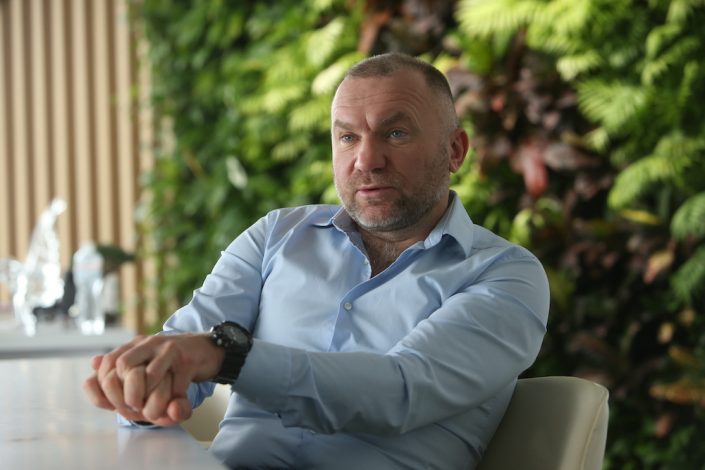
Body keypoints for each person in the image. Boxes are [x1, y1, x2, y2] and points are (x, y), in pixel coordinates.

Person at [83, 52, 550, 469]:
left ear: (455, 151)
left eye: (396, 133)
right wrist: (146, 387)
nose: (367, 160)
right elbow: (185, 350)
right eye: (348, 137)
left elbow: (400, 392)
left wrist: (228, 357)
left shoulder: (507, 275)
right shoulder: (276, 236)